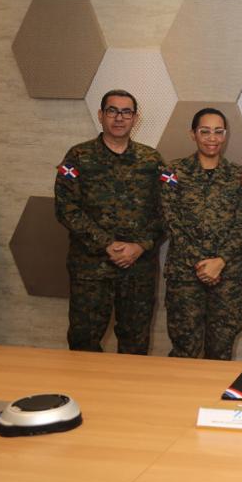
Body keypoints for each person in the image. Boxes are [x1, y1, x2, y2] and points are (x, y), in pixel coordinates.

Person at [54, 89, 164, 354]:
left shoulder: (152, 160)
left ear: (135, 118)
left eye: (126, 112)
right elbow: (66, 208)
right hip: (91, 268)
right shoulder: (78, 156)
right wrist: (106, 244)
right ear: (101, 115)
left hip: (138, 268)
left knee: (135, 344)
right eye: (112, 111)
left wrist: (139, 245)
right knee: (84, 342)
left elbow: (166, 211)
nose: (119, 118)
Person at [159, 108, 242, 360]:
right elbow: (170, 219)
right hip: (185, 275)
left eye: (218, 132)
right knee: (184, 349)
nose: (212, 138)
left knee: (221, 351)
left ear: (225, 135)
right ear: (193, 134)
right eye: (205, 131)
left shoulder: (238, 176)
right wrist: (201, 264)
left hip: (227, 276)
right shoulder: (173, 172)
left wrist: (220, 261)